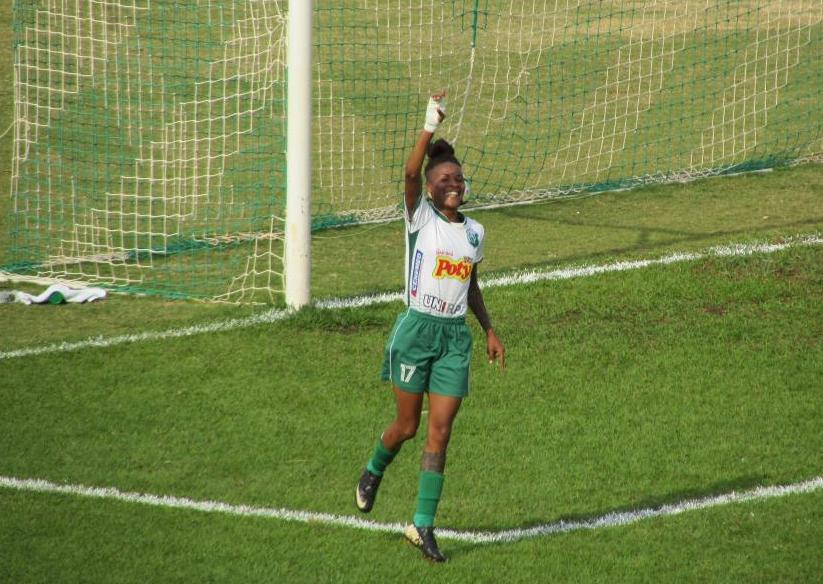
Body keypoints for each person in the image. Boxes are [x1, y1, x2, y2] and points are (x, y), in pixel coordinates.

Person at [355, 91, 505, 562]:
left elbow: (471, 283)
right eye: (444, 179)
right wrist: (429, 124)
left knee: (440, 432)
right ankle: (374, 468)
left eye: (458, 177)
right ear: (430, 187)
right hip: (417, 332)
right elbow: (408, 173)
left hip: (454, 338)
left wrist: (488, 329)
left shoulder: (475, 232)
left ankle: (422, 525)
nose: (453, 184)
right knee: (407, 425)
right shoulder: (419, 217)